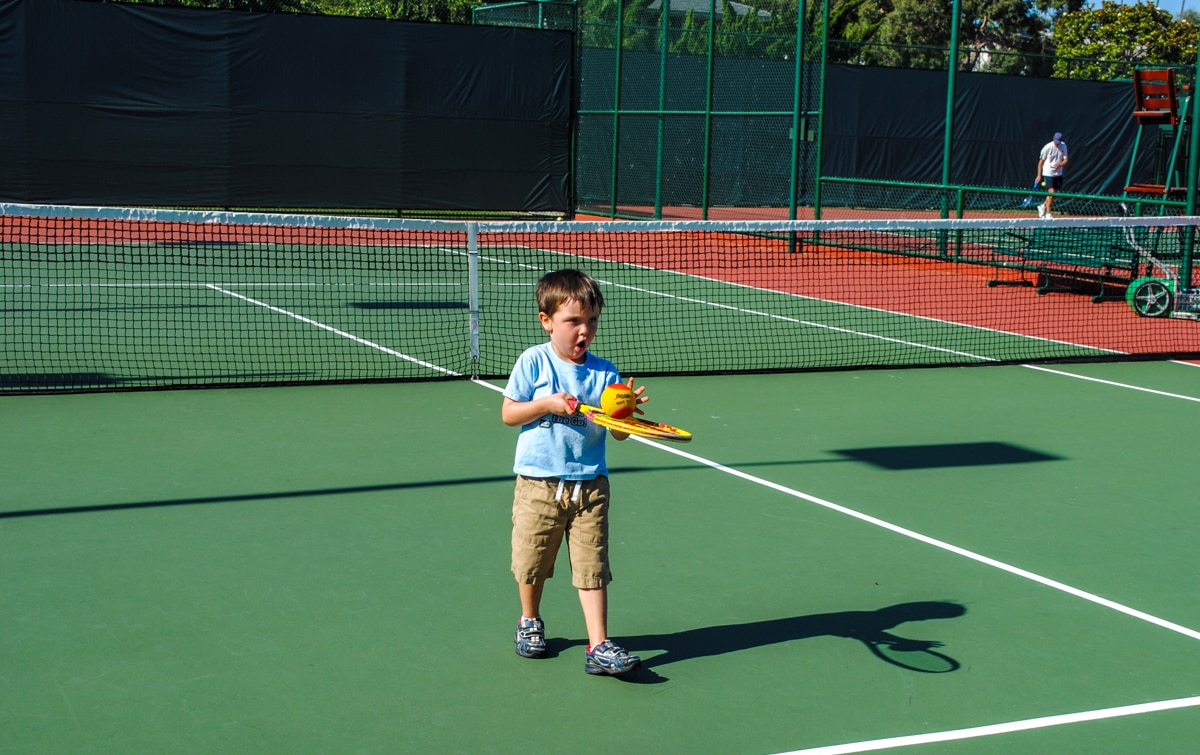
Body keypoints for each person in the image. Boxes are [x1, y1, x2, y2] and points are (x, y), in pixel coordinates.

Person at [501, 268, 646, 676]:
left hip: (590, 486)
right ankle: (529, 620)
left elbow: (618, 436)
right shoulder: (534, 361)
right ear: (546, 321)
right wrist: (545, 404)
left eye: (592, 321)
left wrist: (625, 416)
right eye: (574, 322)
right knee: (532, 561)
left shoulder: (605, 373)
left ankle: (598, 645)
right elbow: (509, 413)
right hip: (539, 484)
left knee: (592, 566)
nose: (585, 331)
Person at [1035, 132, 1069, 219]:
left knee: (1054, 194)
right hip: (1048, 173)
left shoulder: (1063, 146)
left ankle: (1042, 206)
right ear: (1053, 139)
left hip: (1058, 173)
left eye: (1058, 142)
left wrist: (1060, 164)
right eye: (1055, 141)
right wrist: (1039, 175)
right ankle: (1048, 213)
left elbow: (1066, 160)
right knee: (1052, 191)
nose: (1056, 143)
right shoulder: (1047, 147)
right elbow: (1041, 162)